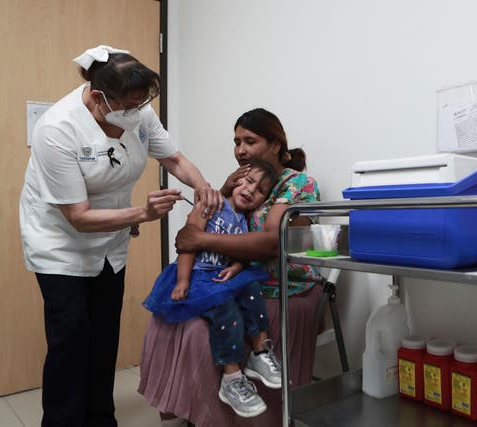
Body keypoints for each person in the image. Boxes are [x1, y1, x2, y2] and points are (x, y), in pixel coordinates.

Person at [18, 45, 222, 427]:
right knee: (70, 341)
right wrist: (143, 213)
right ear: (99, 97)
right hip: (61, 245)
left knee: (103, 335)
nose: (137, 112)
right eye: (129, 105)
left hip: (110, 243)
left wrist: (203, 186)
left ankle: (100, 418)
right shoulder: (57, 128)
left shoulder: (138, 111)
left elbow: (173, 158)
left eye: (142, 103)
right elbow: (77, 217)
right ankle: (63, 420)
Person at [139, 108, 323, 427]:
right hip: (227, 281)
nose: (240, 150)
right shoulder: (241, 183)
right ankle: (194, 413)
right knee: (174, 321)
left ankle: (232, 407)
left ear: (276, 144)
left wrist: (202, 239)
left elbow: (270, 243)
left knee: (202, 330)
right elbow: (187, 237)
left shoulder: (298, 184)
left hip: (281, 284)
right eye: (236, 142)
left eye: (249, 141)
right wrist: (222, 193)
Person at [142, 159, 281, 418]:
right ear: (235, 179)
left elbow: (243, 251)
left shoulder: (246, 220)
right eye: (249, 181)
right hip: (197, 276)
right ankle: (231, 377)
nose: (251, 190)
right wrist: (183, 281)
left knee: (251, 286)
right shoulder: (211, 204)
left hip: (220, 276)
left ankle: (259, 354)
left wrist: (238, 267)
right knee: (227, 311)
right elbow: (188, 243)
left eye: (260, 190)